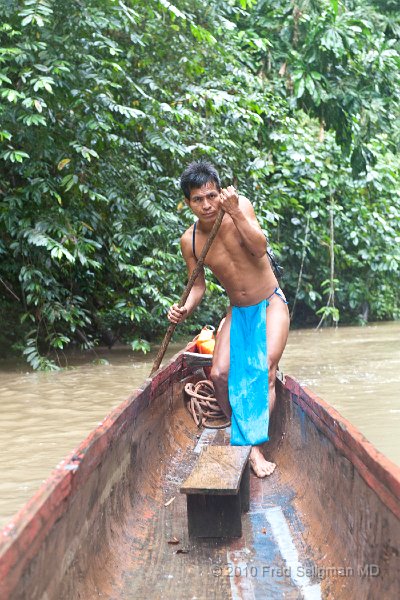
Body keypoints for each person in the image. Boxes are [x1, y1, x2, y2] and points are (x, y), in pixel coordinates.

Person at [167, 161, 290, 477]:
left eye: (211, 195)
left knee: (263, 372)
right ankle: (241, 422)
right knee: (220, 374)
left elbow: (260, 248)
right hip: (237, 310)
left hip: (270, 303)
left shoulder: (240, 208)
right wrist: (184, 309)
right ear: (188, 203)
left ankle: (253, 448)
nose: (206, 205)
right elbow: (197, 285)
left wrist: (235, 211)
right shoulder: (191, 241)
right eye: (198, 199)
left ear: (220, 192)